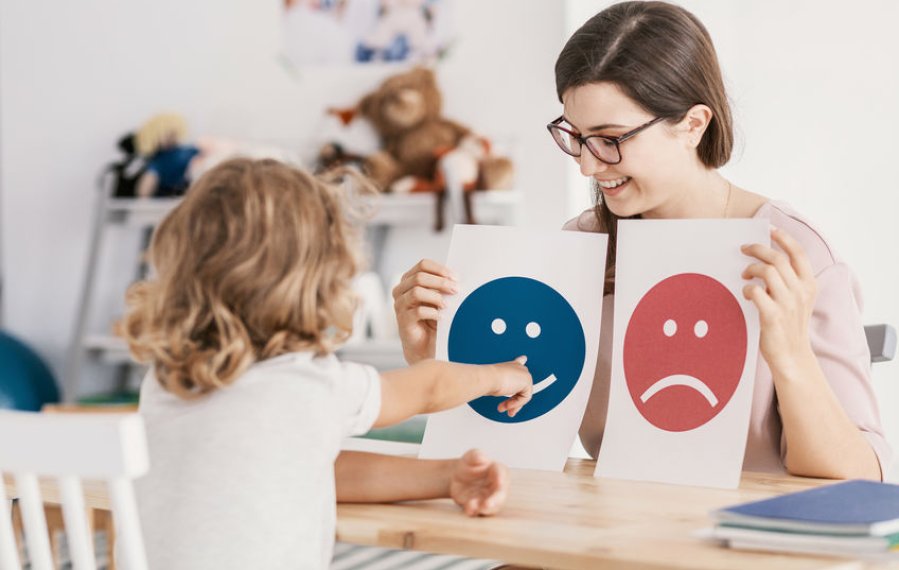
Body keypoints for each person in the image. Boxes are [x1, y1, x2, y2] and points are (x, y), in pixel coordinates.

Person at [392, 0, 890, 481]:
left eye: (611, 139)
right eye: (576, 137)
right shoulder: (583, 244)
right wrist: (434, 356)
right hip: (613, 535)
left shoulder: (787, 253)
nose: (588, 165)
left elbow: (862, 477)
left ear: (693, 124)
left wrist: (790, 355)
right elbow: (519, 428)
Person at [118, 157, 533, 570]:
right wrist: (501, 375)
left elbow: (312, 466)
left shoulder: (167, 381)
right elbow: (429, 385)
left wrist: (445, 479)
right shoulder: (310, 385)